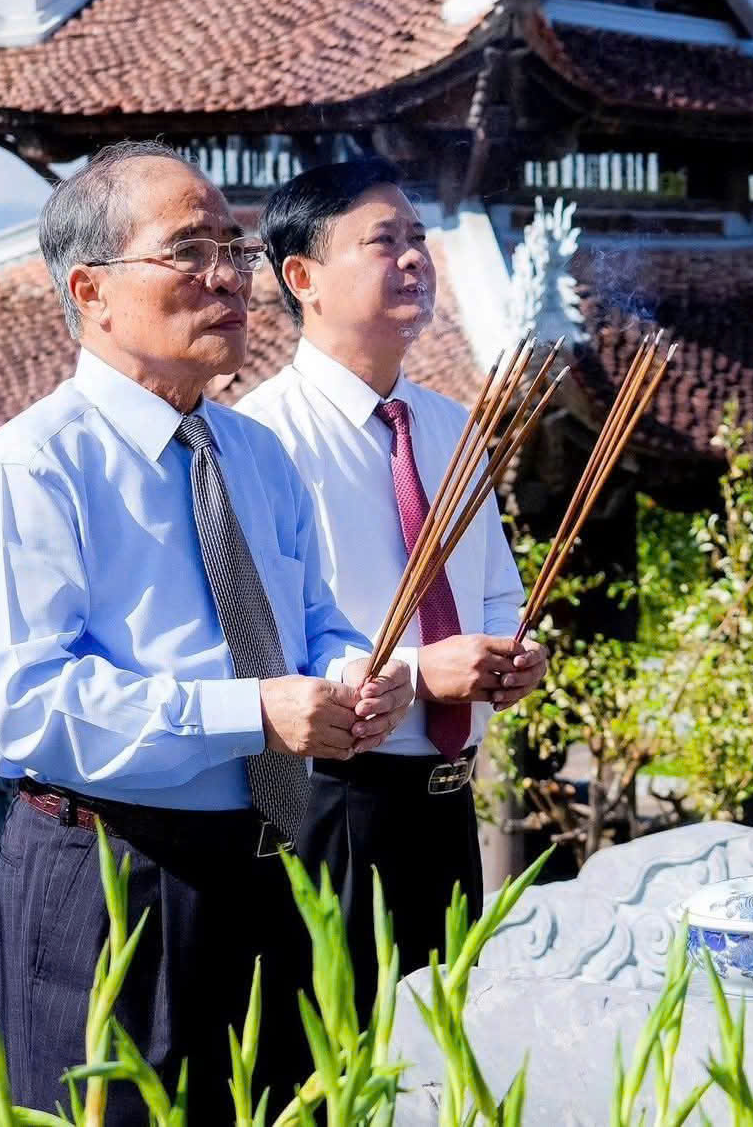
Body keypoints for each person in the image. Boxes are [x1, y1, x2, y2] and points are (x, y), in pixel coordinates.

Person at [0, 141, 414, 1122]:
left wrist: (355, 677)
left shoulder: (256, 453)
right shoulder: (37, 465)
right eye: (189, 250)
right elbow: (27, 708)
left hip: (271, 859)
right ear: (92, 290)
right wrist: (253, 713)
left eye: (233, 250)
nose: (229, 277)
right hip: (114, 875)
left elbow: (314, 623)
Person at [236, 158, 548, 1000]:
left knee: (442, 1044)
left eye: (419, 237)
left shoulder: (451, 426)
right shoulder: (261, 440)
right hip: (336, 800)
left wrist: (512, 653)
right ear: (303, 278)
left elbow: (496, 593)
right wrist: (418, 673)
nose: (415, 258)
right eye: (383, 241)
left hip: (446, 800)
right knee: (339, 1049)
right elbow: (261, 647)